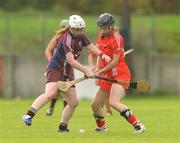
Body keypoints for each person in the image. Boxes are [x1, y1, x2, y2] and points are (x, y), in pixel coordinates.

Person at [22, 14, 111, 132]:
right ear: (70, 28)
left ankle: (63, 127)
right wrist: (86, 70)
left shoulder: (82, 36)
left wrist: (102, 54)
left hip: (67, 71)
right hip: (56, 68)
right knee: (51, 93)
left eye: (80, 29)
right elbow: (71, 60)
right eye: (76, 30)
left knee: (73, 102)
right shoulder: (66, 38)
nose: (79, 32)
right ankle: (28, 115)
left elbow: (91, 47)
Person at [91, 13, 145, 133]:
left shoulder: (117, 38)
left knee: (113, 102)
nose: (102, 30)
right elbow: (100, 54)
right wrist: (97, 70)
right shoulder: (100, 36)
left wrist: (100, 72)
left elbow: (115, 62)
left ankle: (138, 125)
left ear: (111, 26)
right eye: (101, 27)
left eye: (104, 27)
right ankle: (102, 127)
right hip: (107, 75)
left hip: (120, 74)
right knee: (95, 105)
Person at [45, 19, 69, 116]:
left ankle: (64, 111)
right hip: (57, 67)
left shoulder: (72, 38)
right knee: (55, 90)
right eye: (64, 27)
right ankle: (51, 108)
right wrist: (51, 60)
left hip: (66, 68)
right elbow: (48, 50)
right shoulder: (58, 37)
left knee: (65, 89)